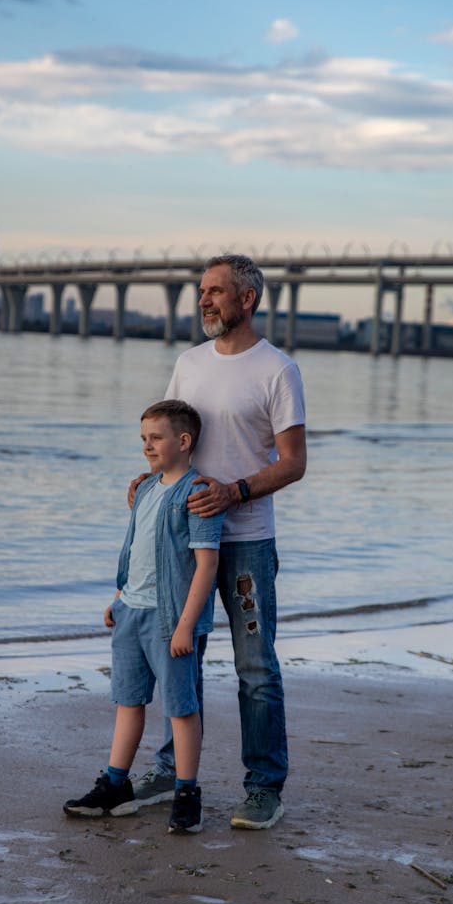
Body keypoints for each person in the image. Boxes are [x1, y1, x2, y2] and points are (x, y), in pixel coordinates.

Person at [132, 254, 306, 830]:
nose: (203, 300)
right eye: (201, 291)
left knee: (255, 667)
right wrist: (153, 478)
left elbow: (294, 464)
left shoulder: (277, 370)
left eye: (214, 292)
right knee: (179, 656)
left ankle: (264, 788)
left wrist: (235, 492)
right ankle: (169, 773)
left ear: (247, 299)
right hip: (183, 540)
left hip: (248, 544)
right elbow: (169, 434)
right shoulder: (188, 363)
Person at [63, 399, 225, 835]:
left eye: (155, 438)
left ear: (183, 441)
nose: (147, 447)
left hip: (169, 619)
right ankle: (115, 785)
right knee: (128, 701)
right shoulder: (147, 490)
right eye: (143, 439)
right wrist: (118, 596)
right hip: (131, 611)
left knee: (181, 708)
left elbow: (206, 565)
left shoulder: (197, 495)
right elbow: (134, 548)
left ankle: (188, 793)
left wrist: (186, 625)